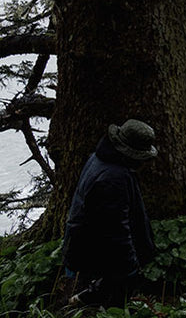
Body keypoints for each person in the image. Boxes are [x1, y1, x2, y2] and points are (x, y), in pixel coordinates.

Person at [63, 119, 158, 308]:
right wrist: (130, 266)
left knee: (110, 282)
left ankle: (85, 299)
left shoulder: (100, 159)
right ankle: (93, 302)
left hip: (85, 240)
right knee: (118, 291)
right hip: (96, 248)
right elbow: (116, 231)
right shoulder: (113, 178)